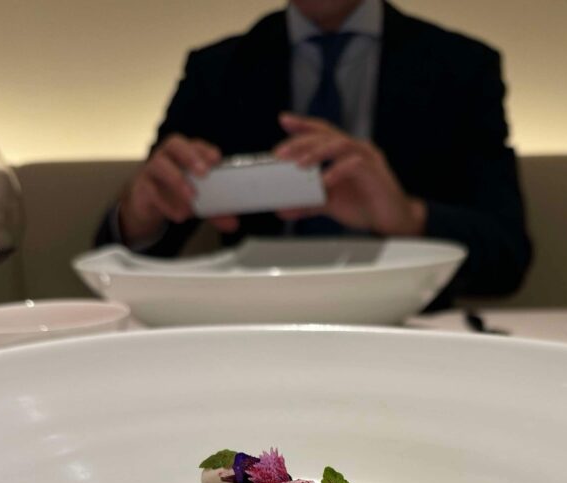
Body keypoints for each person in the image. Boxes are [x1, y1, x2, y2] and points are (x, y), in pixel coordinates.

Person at [95, 0, 532, 302]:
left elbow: (507, 259)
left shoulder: (461, 67)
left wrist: (407, 217)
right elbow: (127, 257)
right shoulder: (218, 69)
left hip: (408, 324)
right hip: (253, 320)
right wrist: (140, 215)